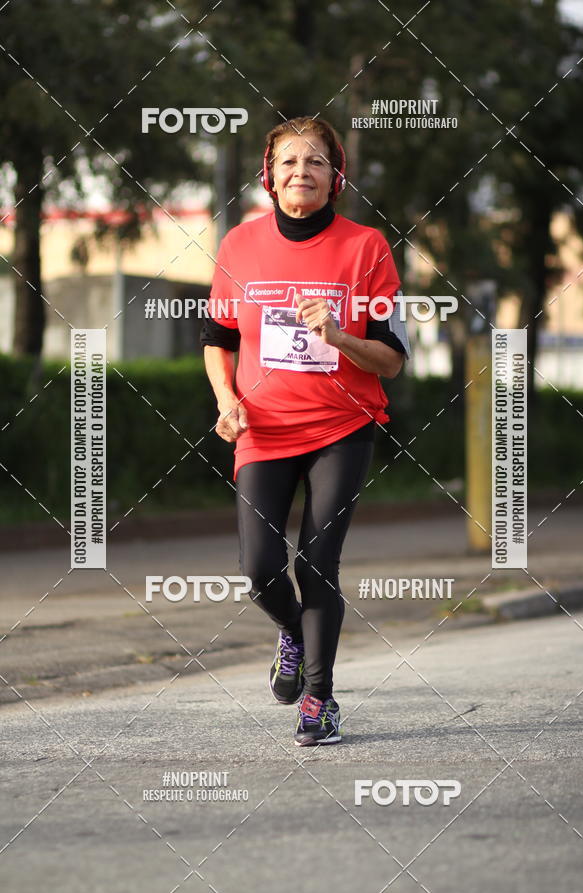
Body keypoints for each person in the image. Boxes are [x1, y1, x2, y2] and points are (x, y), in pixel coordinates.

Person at [200, 116, 410, 746]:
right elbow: (217, 338)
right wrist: (226, 398)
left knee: (318, 562)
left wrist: (340, 336)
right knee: (259, 565)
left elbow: (392, 359)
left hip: (342, 426)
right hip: (262, 427)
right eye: (289, 161)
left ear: (335, 175)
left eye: (315, 161)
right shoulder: (240, 244)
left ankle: (319, 698)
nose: (301, 172)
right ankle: (291, 631)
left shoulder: (366, 247)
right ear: (269, 175)